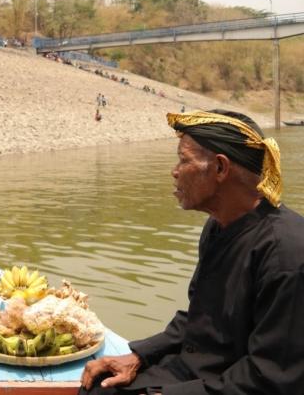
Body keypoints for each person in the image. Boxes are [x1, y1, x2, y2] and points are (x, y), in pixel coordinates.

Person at [79, 109, 304, 395]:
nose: (174, 171)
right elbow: (201, 318)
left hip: (233, 384)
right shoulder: (218, 227)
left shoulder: (287, 254)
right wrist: (140, 356)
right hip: (197, 370)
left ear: (220, 168)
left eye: (184, 160)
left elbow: (271, 377)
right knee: (98, 387)